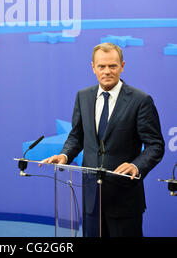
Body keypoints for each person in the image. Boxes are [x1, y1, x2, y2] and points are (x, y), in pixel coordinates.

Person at [42, 42, 165, 237]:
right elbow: (77, 136)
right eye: (101, 66)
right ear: (93, 67)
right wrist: (65, 155)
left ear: (122, 66)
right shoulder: (83, 97)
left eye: (112, 66)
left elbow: (155, 145)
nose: (107, 71)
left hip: (125, 199)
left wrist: (137, 166)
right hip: (92, 199)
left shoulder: (140, 100)